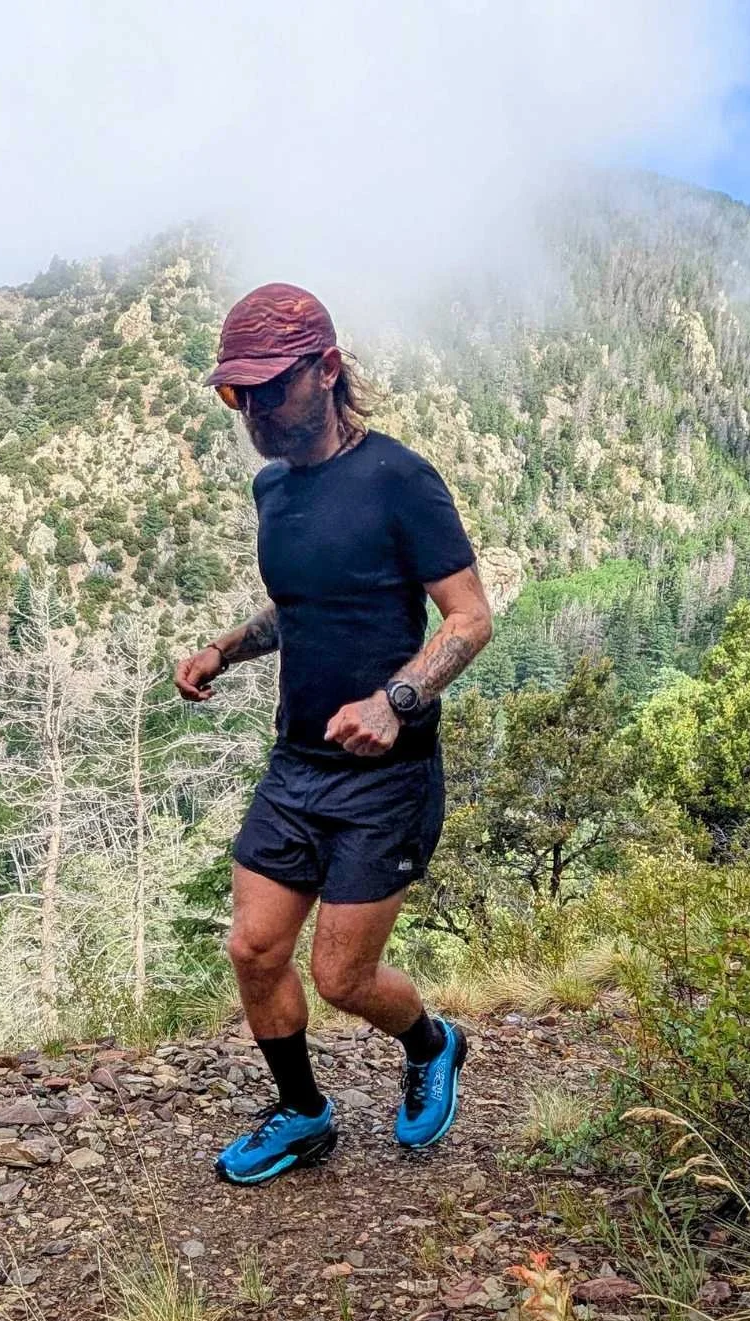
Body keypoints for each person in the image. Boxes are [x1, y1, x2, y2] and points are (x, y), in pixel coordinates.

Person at [174, 282, 494, 1185]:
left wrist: (397, 699)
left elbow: (469, 620)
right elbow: (301, 605)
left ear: (326, 369)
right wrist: (225, 649)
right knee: (254, 948)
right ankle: (305, 1114)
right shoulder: (273, 488)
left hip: (386, 777)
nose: (256, 412)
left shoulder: (400, 477)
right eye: (238, 394)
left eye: (272, 387)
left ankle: (434, 1043)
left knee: (345, 977)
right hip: (297, 762)